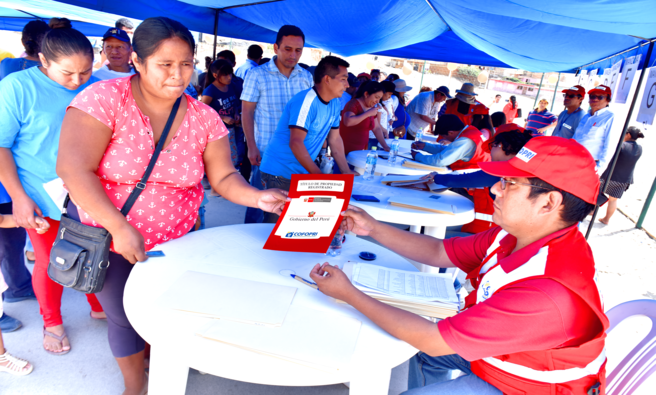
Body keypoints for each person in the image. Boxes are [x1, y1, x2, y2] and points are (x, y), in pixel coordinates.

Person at [58, 17, 288, 395]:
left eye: (186, 64)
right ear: (138, 60)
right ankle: (136, 384)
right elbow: (73, 169)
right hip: (108, 233)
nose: (178, 75)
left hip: (175, 241)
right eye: (165, 64)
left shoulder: (204, 118)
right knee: (123, 315)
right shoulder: (102, 99)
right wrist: (119, 227)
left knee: (167, 309)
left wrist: (258, 197)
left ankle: (160, 357)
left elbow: (224, 178)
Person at [312, 136, 607, 395]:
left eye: (509, 184)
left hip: (525, 385)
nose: (495, 191)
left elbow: (433, 340)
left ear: (548, 203)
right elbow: (440, 251)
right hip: (506, 356)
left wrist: (349, 293)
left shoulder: (545, 293)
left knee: (419, 349)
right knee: (414, 346)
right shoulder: (520, 235)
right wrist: (372, 227)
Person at [0, 24, 106, 355]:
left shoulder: (97, 87)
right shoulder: (17, 86)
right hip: (39, 190)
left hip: (87, 188)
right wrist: (19, 197)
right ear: (43, 60)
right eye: (68, 73)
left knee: (95, 250)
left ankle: (97, 303)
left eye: (85, 70)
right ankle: (52, 322)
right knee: (51, 258)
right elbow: (1, 146)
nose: (77, 80)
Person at [260, 56, 357, 222]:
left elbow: (335, 139)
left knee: (297, 226)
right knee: (275, 228)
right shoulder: (306, 101)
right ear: (327, 79)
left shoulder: (335, 102)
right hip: (280, 173)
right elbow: (295, 142)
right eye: (343, 79)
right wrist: (319, 176)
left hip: (302, 172)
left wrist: (346, 172)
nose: (347, 85)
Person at [241, 25, 313, 224]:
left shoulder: (306, 77)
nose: (293, 55)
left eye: (298, 50)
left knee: (290, 206)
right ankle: (251, 246)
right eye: (288, 49)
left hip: (296, 154)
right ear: (276, 47)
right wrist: (251, 146)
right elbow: (247, 112)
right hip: (265, 152)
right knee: (258, 203)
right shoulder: (257, 75)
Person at [431, 128, 533, 234]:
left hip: (487, 233)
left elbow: (462, 180)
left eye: (492, 145)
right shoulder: (523, 171)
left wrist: (435, 177)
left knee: (433, 234)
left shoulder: (500, 171)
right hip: (495, 230)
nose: (490, 151)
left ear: (502, 146)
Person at [599, 127, 644, 224]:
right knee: (613, 200)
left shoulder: (622, 145)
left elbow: (612, 161)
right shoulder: (640, 148)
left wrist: (603, 175)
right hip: (624, 180)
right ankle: (606, 219)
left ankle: (592, 211)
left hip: (611, 176)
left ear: (628, 135)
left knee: (598, 193)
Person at [411, 114, 490, 170]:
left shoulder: (465, 140)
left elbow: (440, 160)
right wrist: (425, 146)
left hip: (472, 177)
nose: (444, 138)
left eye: (444, 136)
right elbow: (449, 150)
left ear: (450, 132)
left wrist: (418, 156)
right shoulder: (470, 132)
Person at [201, 59, 240, 167]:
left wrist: (236, 113)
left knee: (231, 160)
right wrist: (222, 117)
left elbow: (234, 103)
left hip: (230, 130)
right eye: (225, 75)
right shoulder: (210, 91)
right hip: (215, 133)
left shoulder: (230, 85)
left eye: (230, 74)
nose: (229, 77)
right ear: (215, 75)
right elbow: (202, 112)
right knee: (218, 161)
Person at [572, 85, 617, 175]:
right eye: (592, 96)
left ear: (607, 100)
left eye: (600, 97)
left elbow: (610, 146)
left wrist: (598, 170)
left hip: (589, 164)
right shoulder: (586, 116)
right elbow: (575, 137)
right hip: (573, 160)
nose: (595, 99)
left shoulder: (610, 117)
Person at [339, 81, 388, 154]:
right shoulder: (353, 104)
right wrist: (368, 113)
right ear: (366, 94)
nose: (377, 101)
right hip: (346, 152)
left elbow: (376, 128)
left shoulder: (371, 107)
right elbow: (348, 122)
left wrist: (385, 146)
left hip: (362, 152)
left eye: (379, 99)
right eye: (376, 97)